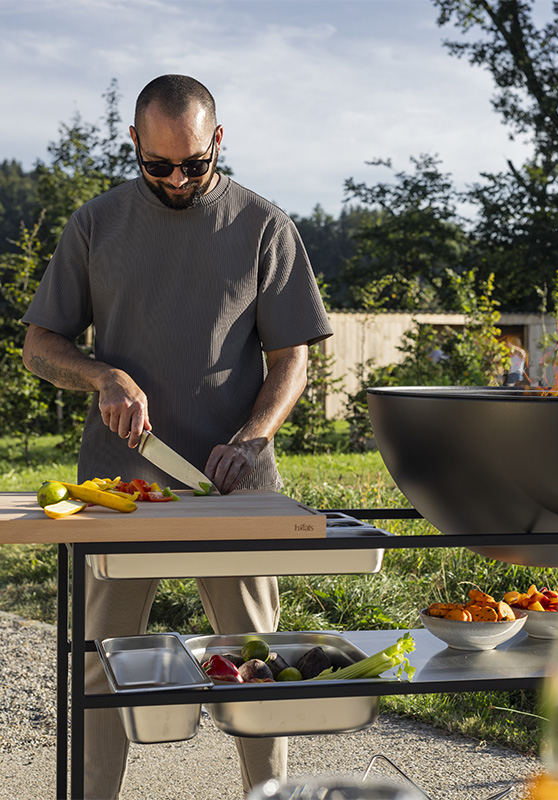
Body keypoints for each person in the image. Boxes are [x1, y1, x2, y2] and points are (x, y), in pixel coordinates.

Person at [21, 74, 333, 799]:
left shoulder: (264, 226)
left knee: (258, 663)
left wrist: (253, 436)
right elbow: (39, 346)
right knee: (102, 662)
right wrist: (101, 376)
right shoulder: (94, 226)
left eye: (195, 163)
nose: (178, 179)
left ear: (218, 141)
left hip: (235, 490)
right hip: (120, 489)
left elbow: (293, 359)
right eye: (157, 165)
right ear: (133, 144)